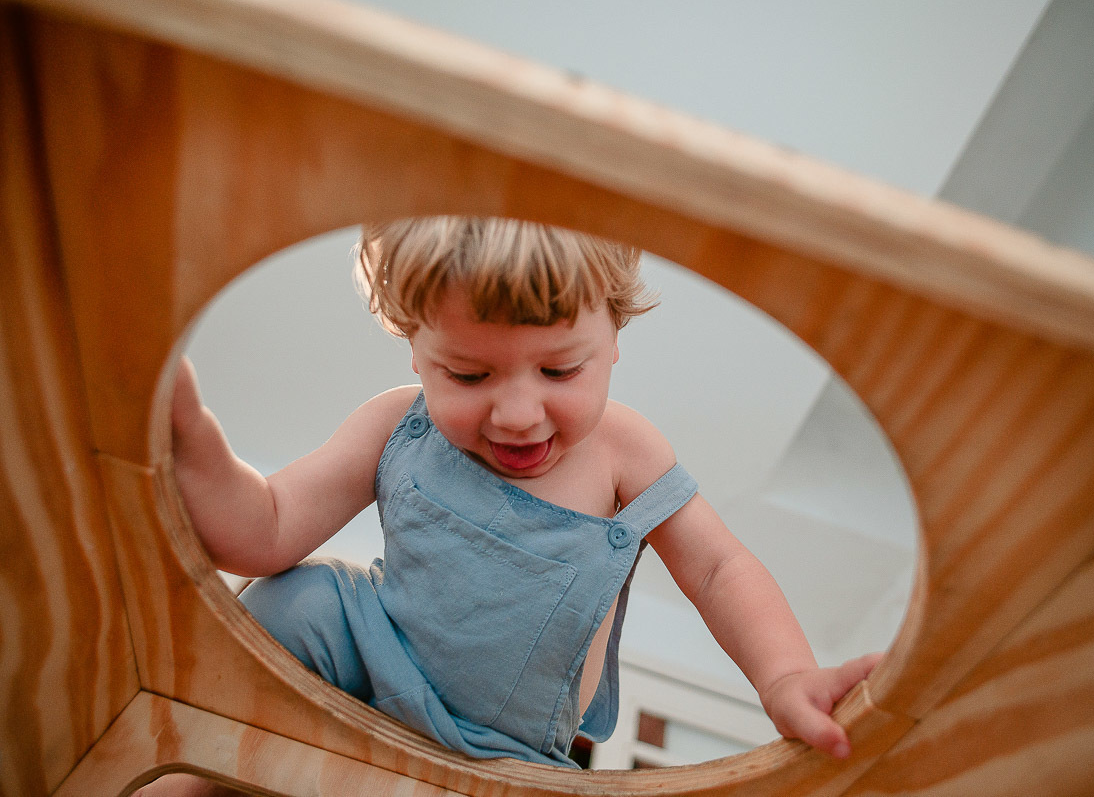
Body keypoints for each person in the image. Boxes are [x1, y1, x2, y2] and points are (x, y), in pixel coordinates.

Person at [165, 216, 881, 780]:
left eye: (559, 369)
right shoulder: (397, 423)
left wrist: (786, 675)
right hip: (367, 666)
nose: (516, 414)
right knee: (292, 599)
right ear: (416, 353)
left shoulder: (626, 455)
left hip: (511, 755)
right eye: (469, 376)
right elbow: (266, 527)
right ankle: (186, 776)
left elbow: (720, 569)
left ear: (614, 341)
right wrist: (196, 443)